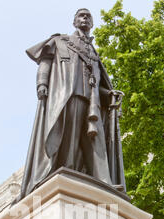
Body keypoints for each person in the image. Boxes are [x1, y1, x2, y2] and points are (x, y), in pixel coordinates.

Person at [17, 8, 126, 201]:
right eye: (81, 16)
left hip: (92, 102)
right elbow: (45, 62)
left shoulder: (94, 54)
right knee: (68, 135)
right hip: (68, 96)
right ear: (74, 22)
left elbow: (97, 82)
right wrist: (41, 83)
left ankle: (103, 181)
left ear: (92, 24)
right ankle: (63, 170)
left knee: (94, 140)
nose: (85, 19)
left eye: (88, 17)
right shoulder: (61, 41)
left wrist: (109, 94)